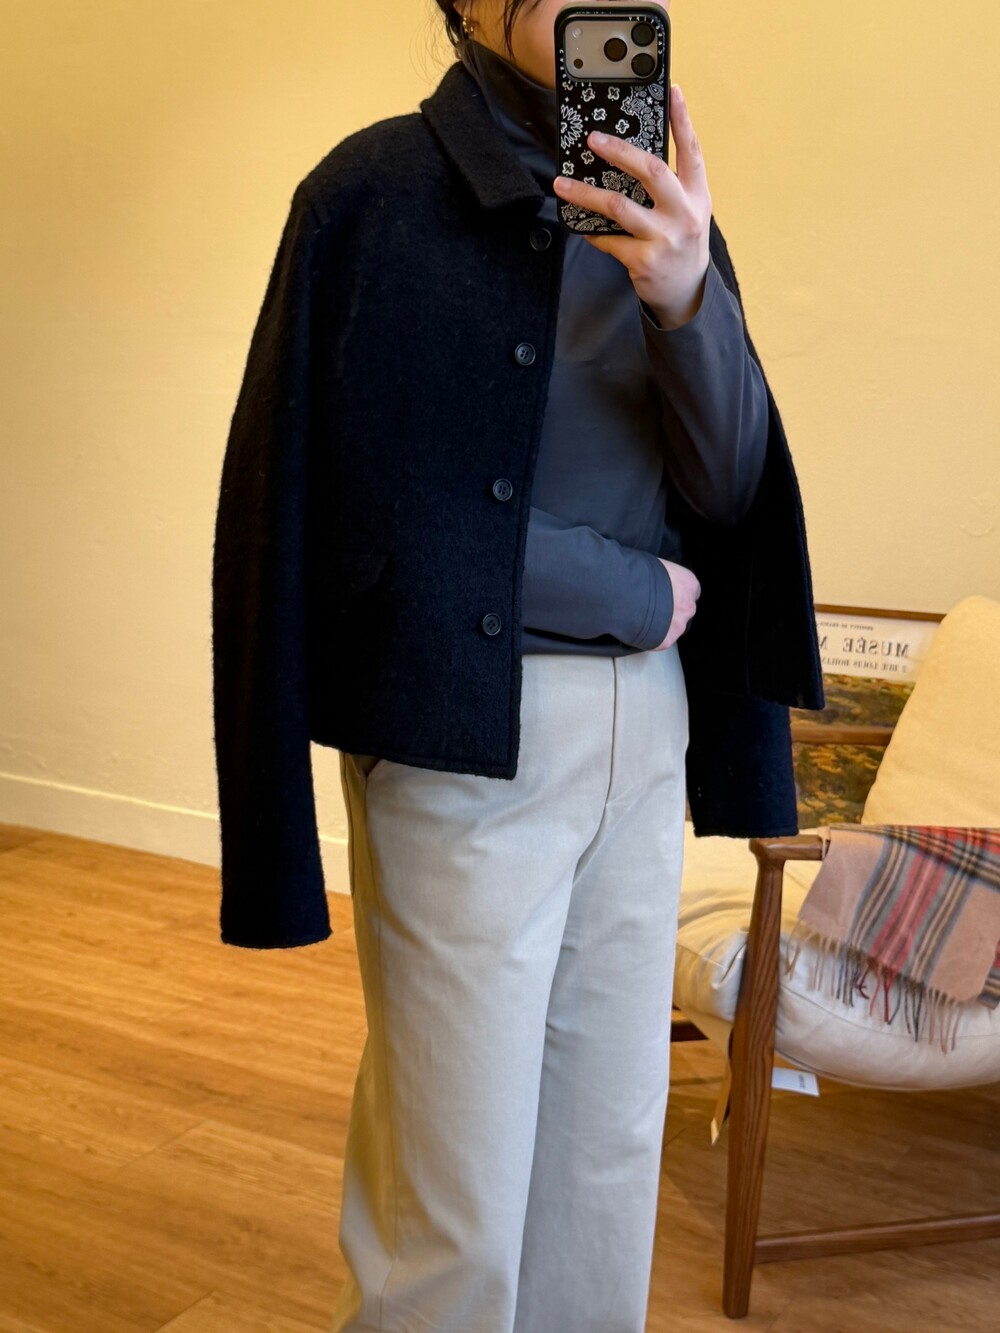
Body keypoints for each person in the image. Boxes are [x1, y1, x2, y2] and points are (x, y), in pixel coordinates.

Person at [210, 1, 824, 1329]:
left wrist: (687, 295)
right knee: (453, 1190)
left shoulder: (663, 203)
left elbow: (732, 486)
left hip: (648, 728)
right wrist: (633, 588)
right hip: (464, 737)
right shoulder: (373, 196)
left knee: (608, 1154)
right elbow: (366, 506)